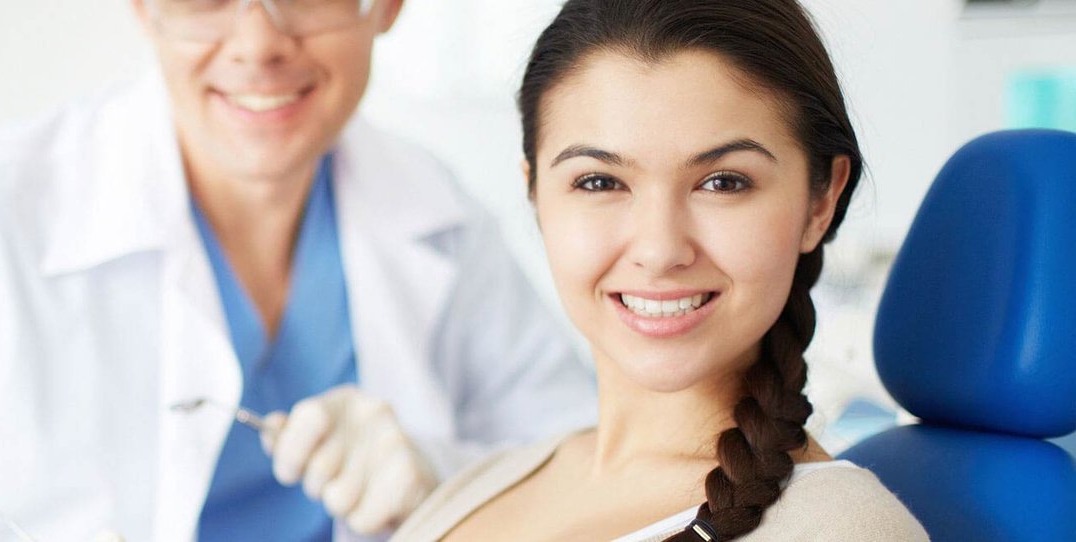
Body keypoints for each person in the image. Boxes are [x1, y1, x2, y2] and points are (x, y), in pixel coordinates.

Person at [0, 0, 597, 540]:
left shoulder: (439, 220)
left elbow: (599, 481)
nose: (257, 41)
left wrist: (445, 479)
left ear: (391, 2)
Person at [390, 0, 928, 540]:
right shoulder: (478, 486)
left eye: (723, 182)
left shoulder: (841, 529)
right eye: (599, 182)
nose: (659, 249)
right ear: (535, 193)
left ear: (821, 201)